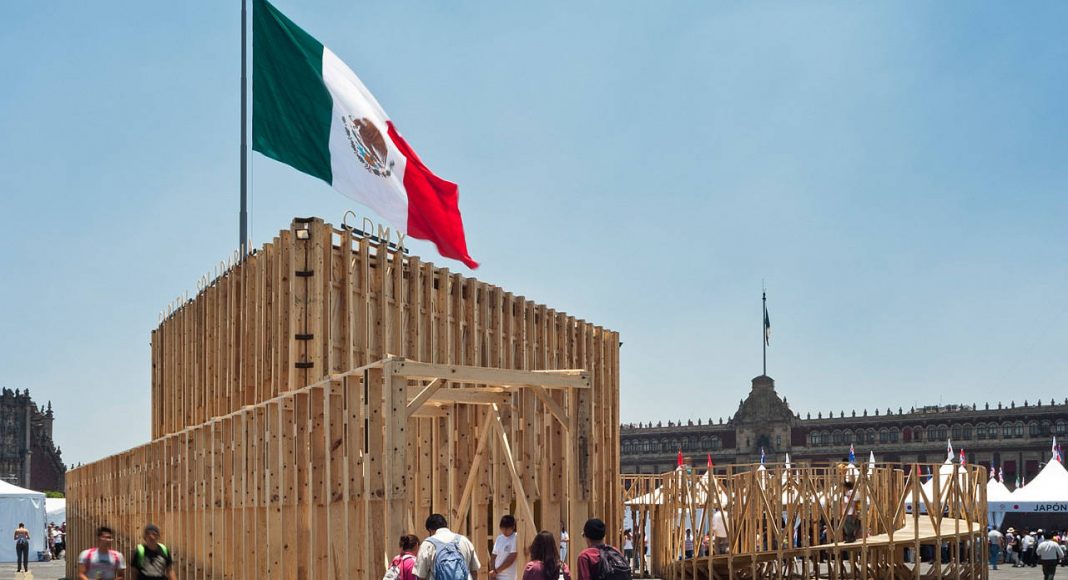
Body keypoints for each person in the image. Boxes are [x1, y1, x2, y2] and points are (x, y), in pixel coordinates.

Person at [414, 513, 480, 580]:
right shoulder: (464, 541)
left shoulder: (428, 544)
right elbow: (474, 571)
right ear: (446, 525)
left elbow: (421, 575)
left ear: (430, 530)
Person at [489, 515, 518, 580]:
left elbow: (511, 558)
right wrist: (493, 572)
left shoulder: (515, 537)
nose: (504, 531)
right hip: (497, 575)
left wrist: (496, 571)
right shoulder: (499, 538)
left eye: (507, 529)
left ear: (513, 527)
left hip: (509, 576)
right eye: (502, 528)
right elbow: (493, 556)